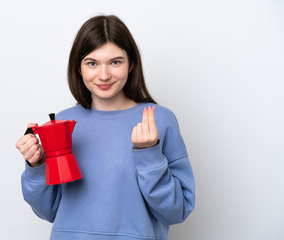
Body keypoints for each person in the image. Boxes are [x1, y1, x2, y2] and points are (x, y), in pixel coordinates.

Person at [15, 15, 195, 240]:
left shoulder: (159, 120)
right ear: (78, 68)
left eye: (115, 62)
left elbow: (176, 211)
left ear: (131, 65)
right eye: (92, 63)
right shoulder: (62, 124)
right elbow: (49, 210)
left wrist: (149, 154)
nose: (103, 75)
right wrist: (37, 165)